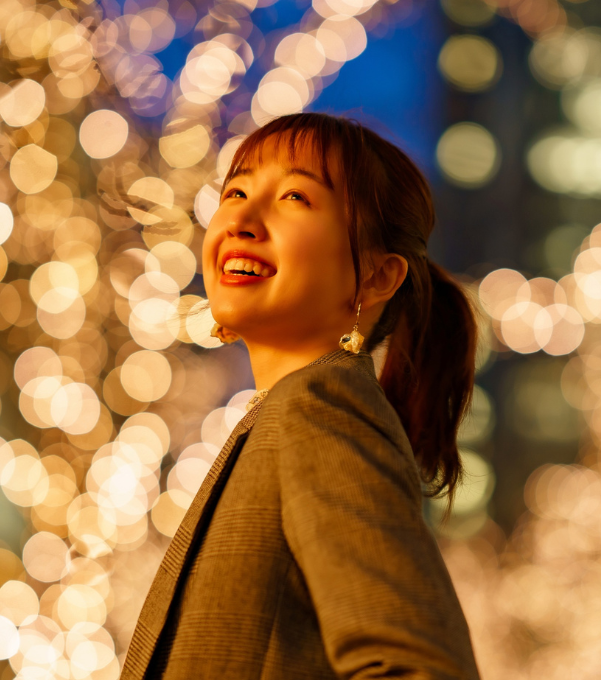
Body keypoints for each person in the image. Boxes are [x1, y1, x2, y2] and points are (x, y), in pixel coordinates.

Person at [120, 113, 481, 680]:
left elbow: (420, 666)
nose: (241, 220)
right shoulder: (279, 414)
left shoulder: (321, 405)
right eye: (236, 192)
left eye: (295, 197)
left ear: (377, 278)